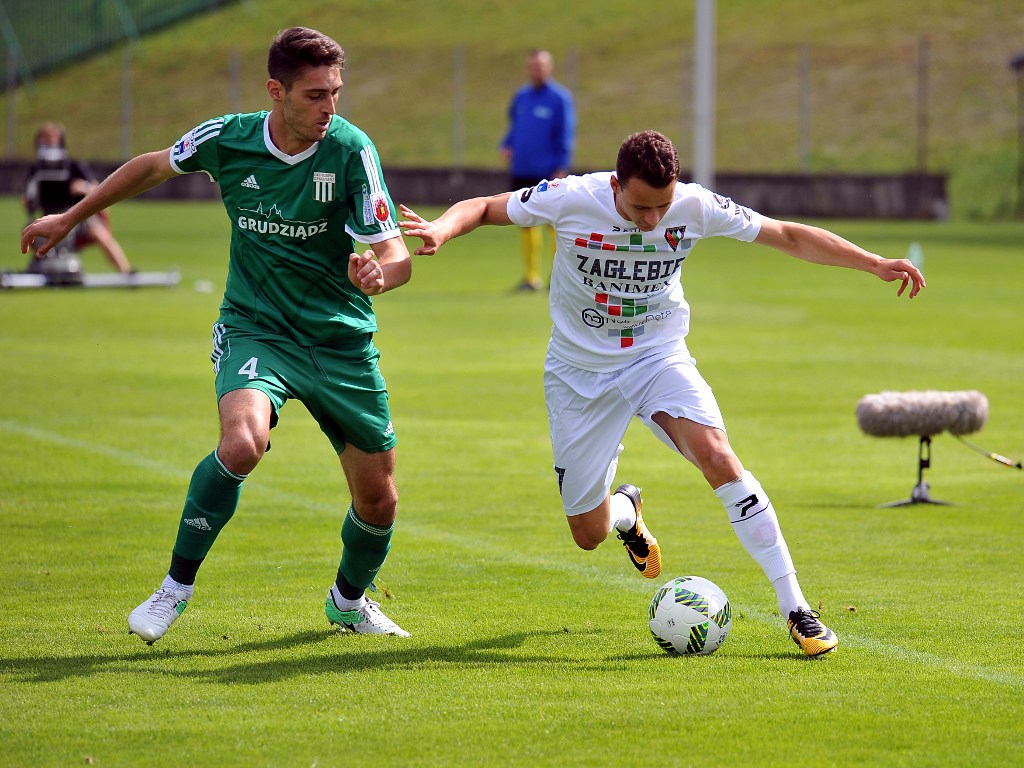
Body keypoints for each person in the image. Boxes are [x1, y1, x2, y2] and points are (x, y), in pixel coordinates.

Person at [401, 130, 926, 657]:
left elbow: (787, 235)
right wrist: (442, 229)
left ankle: (797, 609)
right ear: (615, 186)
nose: (653, 219)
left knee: (718, 457)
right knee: (587, 533)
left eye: (663, 206)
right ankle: (625, 511)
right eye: (641, 207)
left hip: (657, 357)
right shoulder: (571, 198)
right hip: (579, 374)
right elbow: (484, 207)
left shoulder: (695, 205)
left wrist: (874, 263)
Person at [21, 27, 414, 641]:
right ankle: (173, 589)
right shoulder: (228, 138)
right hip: (257, 328)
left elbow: (396, 254)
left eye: (336, 92)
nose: (329, 107)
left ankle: (348, 600)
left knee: (380, 501)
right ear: (276, 91)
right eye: (315, 95)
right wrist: (72, 218)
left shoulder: (351, 149)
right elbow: (154, 166)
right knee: (242, 443)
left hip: (339, 341)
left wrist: (379, 274)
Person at [500, 49, 575, 292]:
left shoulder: (559, 98)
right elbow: (515, 127)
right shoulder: (521, 97)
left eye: (541, 66)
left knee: (553, 224)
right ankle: (531, 277)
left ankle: (557, 275)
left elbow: (565, 134)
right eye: (533, 66)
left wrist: (561, 166)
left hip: (547, 172)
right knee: (524, 221)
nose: (536, 70)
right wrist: (507, 144)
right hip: (522, 169)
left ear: (549, 68)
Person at [23, 122, 132, 274]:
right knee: (30, 231)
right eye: (44, 138)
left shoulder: (73, 166)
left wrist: (84, 187)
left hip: (79, 216)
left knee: (99, 232)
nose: (48, 142)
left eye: (51, 138)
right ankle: (43, 268)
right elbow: (28, 198)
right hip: (50, 215)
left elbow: (99, 189)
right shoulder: (36, 170)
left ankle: (126, 272)